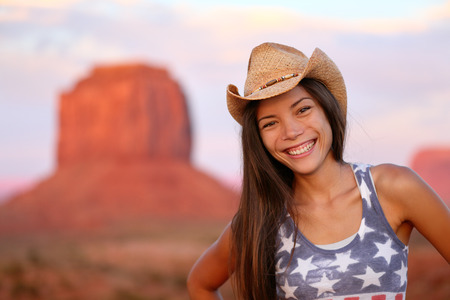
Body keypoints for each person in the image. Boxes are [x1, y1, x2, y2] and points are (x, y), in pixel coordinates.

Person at [186, 42, 450, 300]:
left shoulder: (392, 188)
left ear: (327, 109)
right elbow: (200, 284)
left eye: (303, 109)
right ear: (259, 141)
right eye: (270, 124)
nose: (291, 132)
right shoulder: (260, 219)